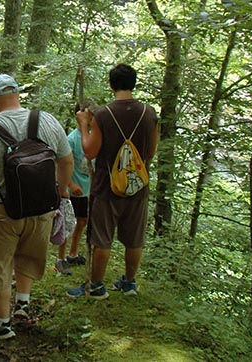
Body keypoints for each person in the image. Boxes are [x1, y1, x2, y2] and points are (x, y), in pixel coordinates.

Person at [0, 74, 73, 340]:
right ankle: (22, 302)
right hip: (42, 207)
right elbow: (66, 161)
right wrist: (61, 192)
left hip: (1, 210)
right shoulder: (48, 122)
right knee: (30, 255)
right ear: (18, 95)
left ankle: (2, 323)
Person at [66, 64, 159, 299]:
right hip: (138, 186)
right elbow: (150, 152)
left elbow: (89, 151)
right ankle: (129, 283)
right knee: (134, 237)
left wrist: (83, 124)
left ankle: (96, 286)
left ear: (111, 84)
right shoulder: (149, 113)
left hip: (107, 187)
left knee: (102, 238)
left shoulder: (103, 115)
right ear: (134, 83)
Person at [54, 100, 97, 275]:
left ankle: (73, 253)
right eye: (90, 115)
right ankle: (61, 259)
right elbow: (62, 164)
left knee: (82, 221)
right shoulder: (71, 139)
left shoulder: (92, 137)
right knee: (67, 223)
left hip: (87, 190)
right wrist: (70, 184)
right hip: (72, 190)